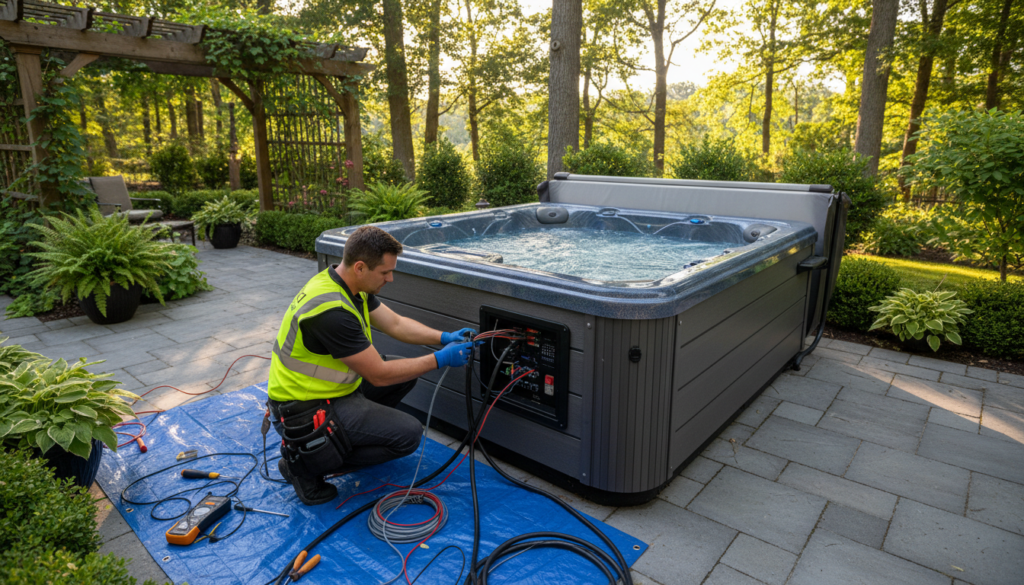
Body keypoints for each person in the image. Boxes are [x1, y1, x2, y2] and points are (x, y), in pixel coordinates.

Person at [267, 225, 478, 505]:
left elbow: (396, 324)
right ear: (360, 267)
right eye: (385, 272)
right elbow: (378, 375)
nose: (390, 279)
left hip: (331, 392)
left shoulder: (347, 285)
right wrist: (441, 359)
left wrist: (444, 337)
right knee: (409, 435)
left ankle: (350, 435)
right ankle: (303, 465)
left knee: (404, 372)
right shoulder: (331, 312)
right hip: (303, 411)